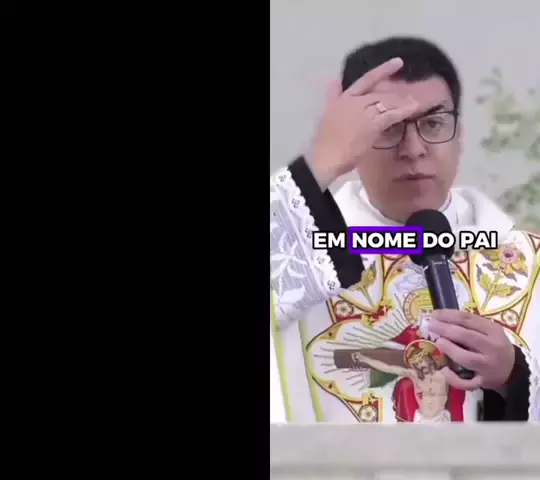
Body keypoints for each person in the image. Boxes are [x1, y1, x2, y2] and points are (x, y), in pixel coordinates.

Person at [270, 36, 539, 423]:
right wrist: (319, 163)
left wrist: (515, 375)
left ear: (459, 136)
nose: (413, 149)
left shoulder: (529, 265)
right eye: (388, 127)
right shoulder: (302, 260)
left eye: (433, 123)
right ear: (353, 144)